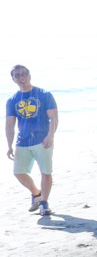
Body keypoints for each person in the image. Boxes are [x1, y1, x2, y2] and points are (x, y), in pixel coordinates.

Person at [5, 65, 58, 216]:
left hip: (42, 140)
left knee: (45, 172)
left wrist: (50, 136)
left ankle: (44, 203)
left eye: (24, 74)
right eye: (17, 76)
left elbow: (53, 118)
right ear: (13, 79)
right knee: (18, 172)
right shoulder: (12, 100)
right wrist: (9, 145)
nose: (21, 78)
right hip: (23, 141)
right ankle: (36, 194)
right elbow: (10, 125)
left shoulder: (44, 94)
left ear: (29, 75)